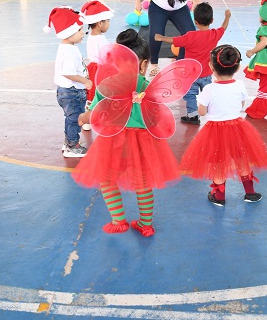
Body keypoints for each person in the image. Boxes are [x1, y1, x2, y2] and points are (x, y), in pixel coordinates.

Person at [72, 29, 189, 237]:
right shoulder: (148, 86)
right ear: (144, 64)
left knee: (107, 180)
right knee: (143, 183)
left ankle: (118, 220)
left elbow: (94, 115)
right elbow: (156, 118)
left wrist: (82, 118)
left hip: (113, 141)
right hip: (143, 143)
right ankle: (145, 224)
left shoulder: (106, 86)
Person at [179, 44, 267, 206]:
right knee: (242, 159)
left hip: (215, 130)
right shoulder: (240, 85)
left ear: (211, 66)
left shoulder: (209, 89)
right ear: (238, 66)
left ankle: (219, 196)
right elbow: (241, 104)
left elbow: (202, 112)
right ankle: (250, 193)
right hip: (238, 128)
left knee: (218, 163)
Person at [154, 3, 231, 125]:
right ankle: (214, 113)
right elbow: (223, 28)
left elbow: (174, 40)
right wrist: (227, 17)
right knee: (208, 94)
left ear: (195, 21)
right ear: (211, 20)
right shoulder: (214, 35)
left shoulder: (190, 36)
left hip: (191, 75)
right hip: (206, 73)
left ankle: (193, 116)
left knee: (190, 95)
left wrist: (161, 38)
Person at [44, 7, 90, 158]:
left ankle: (69, 142)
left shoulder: (67, 47)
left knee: (71, 118)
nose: (82, 33)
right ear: (69, 32)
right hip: (71, 92)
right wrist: (85, 81)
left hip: (68, 91)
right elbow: (68, 73)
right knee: (75, 118)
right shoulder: (70, 51)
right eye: (80, 30)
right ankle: (72, 146)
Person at [80, 0, 114, 131]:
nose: (109, 24)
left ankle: (88, 120)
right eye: (108, 21)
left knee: (91, 94)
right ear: (100, 23)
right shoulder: (100, 39)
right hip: (101, 69)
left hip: (92, 68)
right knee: (102, 92)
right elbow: (106, 56)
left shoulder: (92, 37)